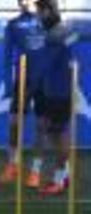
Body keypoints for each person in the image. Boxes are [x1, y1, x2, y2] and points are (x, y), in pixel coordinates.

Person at [0, 0, 49, 189]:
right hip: (23, 78)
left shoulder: (47, 19)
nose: (23, 1)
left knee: (42, 126)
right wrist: (7, 83)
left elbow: (62, 43)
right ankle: (13, 164)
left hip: (45, 81)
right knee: (14, 122)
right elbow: (7, 55)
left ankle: (35, 170)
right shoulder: (13, 24)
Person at [36, 0, 78, 196]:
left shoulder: (54, 36)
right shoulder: (65, 31)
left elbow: (46, 66)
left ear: (49, 11)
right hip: (58, 91)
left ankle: (59, 179)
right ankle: (65, 174)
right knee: (53, 133)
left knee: (60, 135)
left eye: (40, 12)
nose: (38, 16)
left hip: (57, 93)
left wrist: (32, 87)